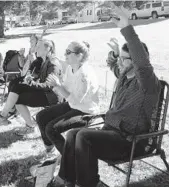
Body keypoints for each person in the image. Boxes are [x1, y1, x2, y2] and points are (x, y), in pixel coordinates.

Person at [51, 6, 161, 187]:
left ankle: (90, 184)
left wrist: (128, 30)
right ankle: (65, 180)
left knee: (84, 136)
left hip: (131, 140)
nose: (121, 62)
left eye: (125, 58)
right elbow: (115, 65)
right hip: (111, 133)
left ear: (137, 60)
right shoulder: (126, 76)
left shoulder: (148, 83)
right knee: (72, 135)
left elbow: (142, 64)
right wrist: (117, 53)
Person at [0, 39, 61, 136]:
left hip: (51, 96)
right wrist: (30, 75)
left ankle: (9, 118)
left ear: (48, 49)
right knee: (16, 87)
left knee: (18, 95)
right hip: (43, 91)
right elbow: (32, 72)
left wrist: (30, 82)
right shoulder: (42, 60)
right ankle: (8, 117)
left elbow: (49, 85)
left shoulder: (53, 64)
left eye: (39, 46)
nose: (36, 48)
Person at [36, 41, 100, 157]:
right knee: (41, 117)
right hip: (73, 105)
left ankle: (70, 157)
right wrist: (56, 85)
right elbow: (66, 89)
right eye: (66, 51)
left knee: (51, 129)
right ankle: (51, 151)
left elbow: (76, 100)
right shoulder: (71, 68)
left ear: (79, 56)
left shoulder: (85, 74)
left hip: (86, 111)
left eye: (68, 52)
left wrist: (58, 86)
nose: (65, 54)